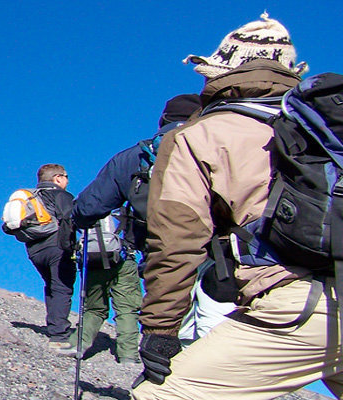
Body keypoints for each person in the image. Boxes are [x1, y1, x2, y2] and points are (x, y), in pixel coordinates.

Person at [132, 14, 329, 399]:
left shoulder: (199, 135)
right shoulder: (324, 126)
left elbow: (177, 242)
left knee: (158, 396)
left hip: (298, 303)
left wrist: (161, 331)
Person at [66, 94, 201, 363]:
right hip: (227, 257)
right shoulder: (226, 141)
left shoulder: (139, 155)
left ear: (163, 119)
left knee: (171, 327)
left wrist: (78, 220)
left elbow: (89, 206)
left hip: (165, 255)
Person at [59, 214, 141, 364]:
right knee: (127, 309)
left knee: (93, 309)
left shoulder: (85, 203)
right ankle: (128, 356)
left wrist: (73, 250)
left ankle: (78, 345)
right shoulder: (124, 200)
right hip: (123, 259)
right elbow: (138, 226)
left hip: (92, 261)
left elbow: (66, 235)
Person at [21, 164, 77, 351]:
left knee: (51, 285)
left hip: (34, 250)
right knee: (62, 287)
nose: (68, 181)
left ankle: (54, 327)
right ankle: (59, 335)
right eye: (66, 177)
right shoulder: (61, 195)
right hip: (57, 246)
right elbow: (70, 219)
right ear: (58, 178)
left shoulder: (32, 197)